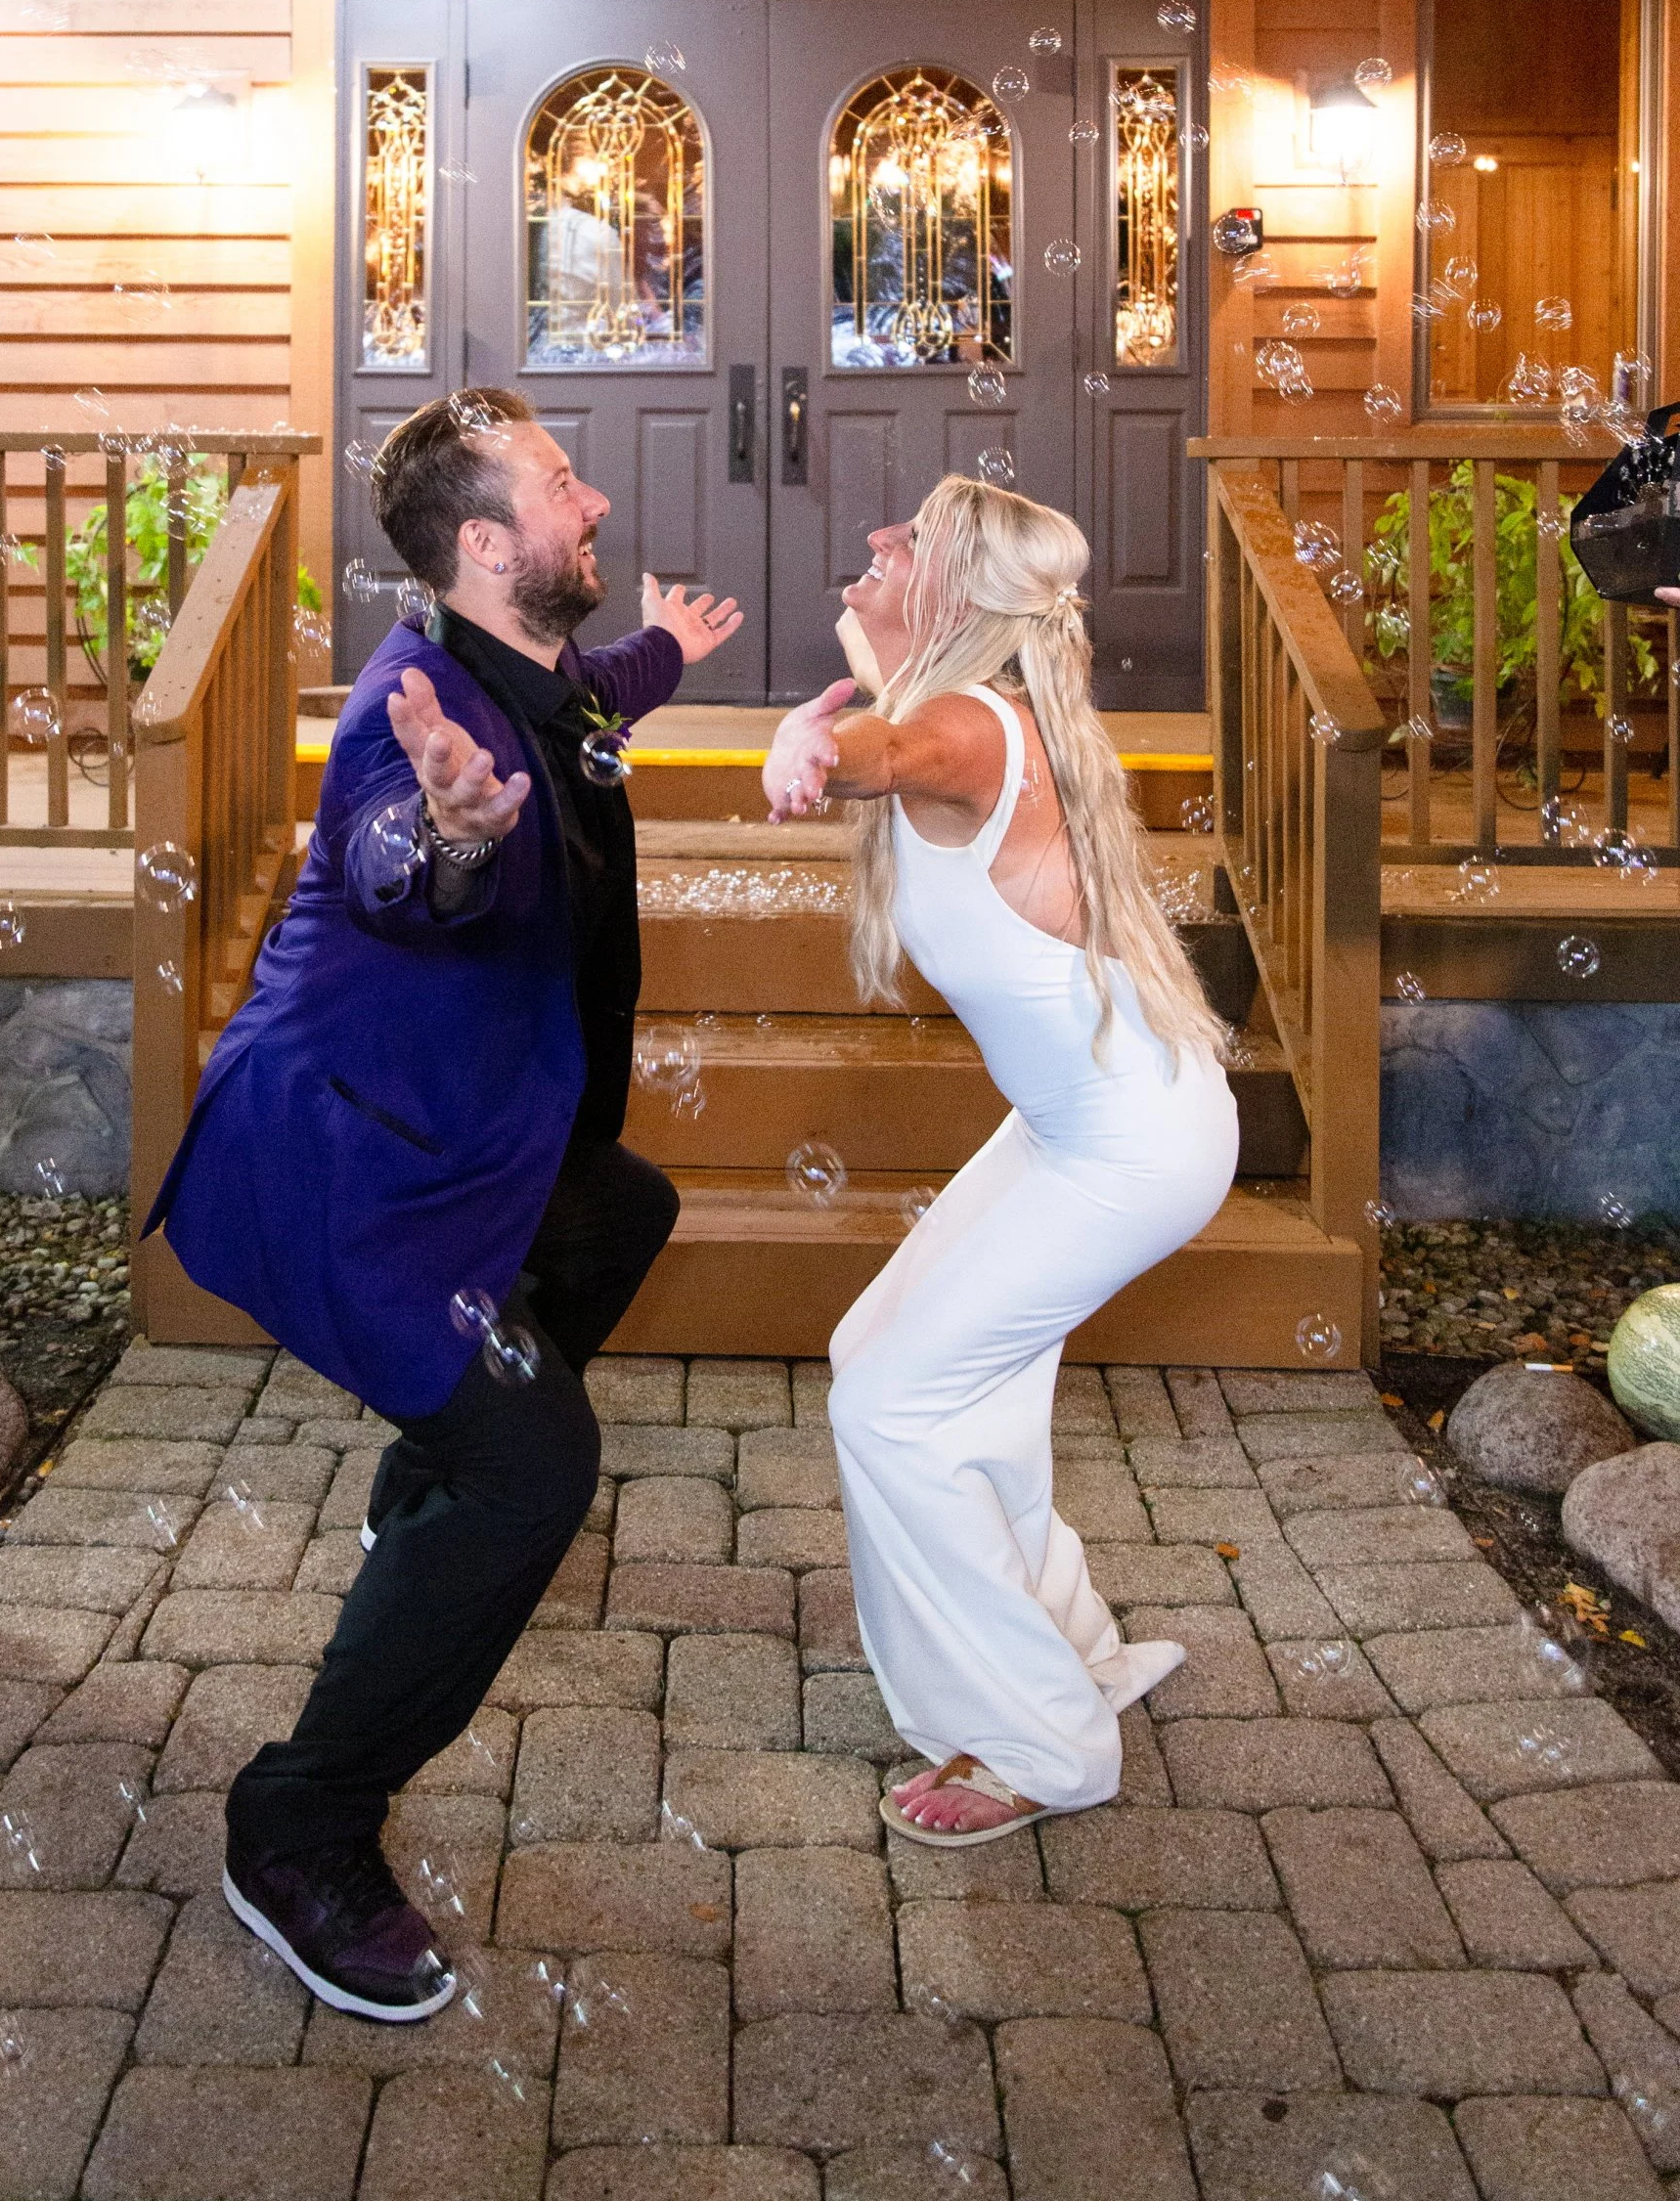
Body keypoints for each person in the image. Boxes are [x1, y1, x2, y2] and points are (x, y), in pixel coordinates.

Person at [147, 388, 741, 2010]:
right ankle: (301, 1824)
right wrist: (459, 844)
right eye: (564, 486)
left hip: (476, 1139)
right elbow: (400, 858)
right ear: (487, 546)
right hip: (350, 1164)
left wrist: (671, 651)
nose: (597, 501)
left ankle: (425, 1486)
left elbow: (592, 699)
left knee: (623, 1215)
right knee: (535, 1465)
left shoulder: (528, 670)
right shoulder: (405, 716)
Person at [761, 477, 1238, 1843]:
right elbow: (895, 712)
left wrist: (821, 752)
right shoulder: (967, 702)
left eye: (898, 539)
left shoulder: (969, 729)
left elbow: (895, 755)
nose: (870, 539)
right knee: (886, 1358)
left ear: (959, 594)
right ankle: (1067, 1645)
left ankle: (1042, 1741)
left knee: (892, 1409)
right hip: (1080, 1125)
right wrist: (852, 689)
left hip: (1131, 1146)